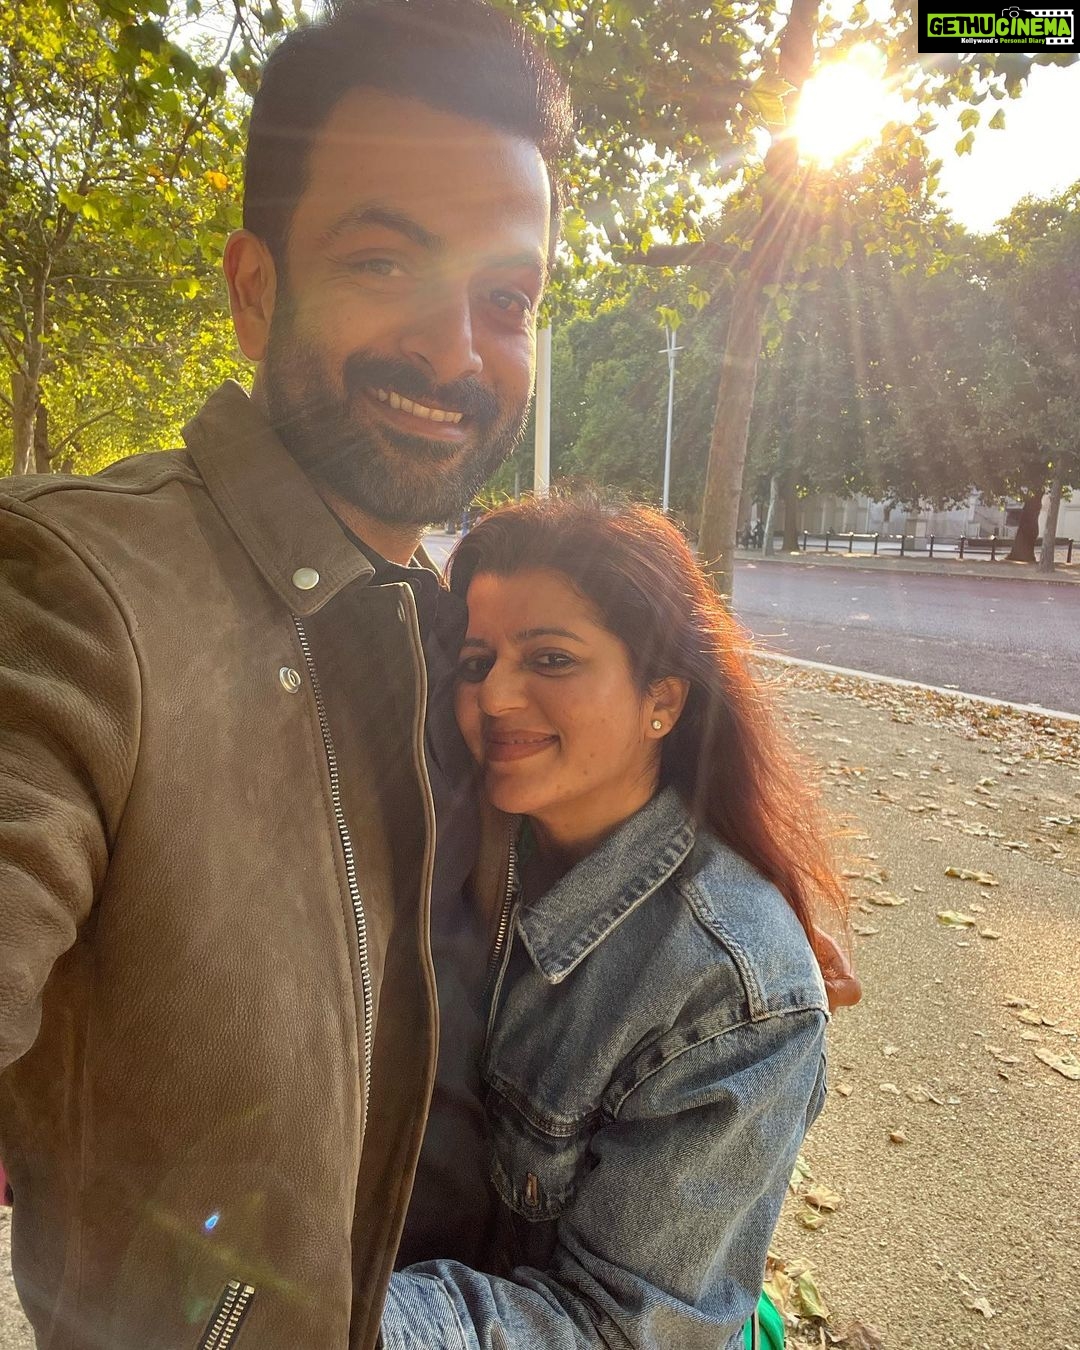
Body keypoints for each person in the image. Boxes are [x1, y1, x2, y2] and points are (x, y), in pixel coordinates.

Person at [0, 2, 570, 1346]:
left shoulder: (443, 633)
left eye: (506, 300)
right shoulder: (78, 590)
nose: (454, 351)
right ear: (255, 291)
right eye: (384, 259)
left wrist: (744, 866)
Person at [381, 493, 853, 1349]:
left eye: (551, 659)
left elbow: (623, 1328)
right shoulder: (451, 834)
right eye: (478, 662)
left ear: (661, 699)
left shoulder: (729, 995)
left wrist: (323, 1312)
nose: (496, 696)